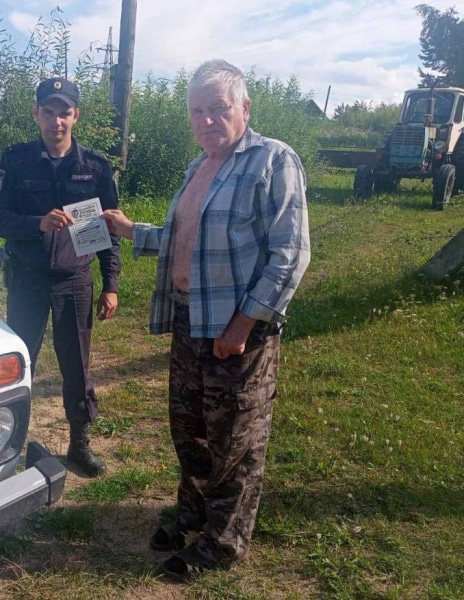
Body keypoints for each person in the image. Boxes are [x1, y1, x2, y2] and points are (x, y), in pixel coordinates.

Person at [102, 59, 310, 579]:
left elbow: (291, 254)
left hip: (237, 330)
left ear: (244, 108)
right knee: (190, 428)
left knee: (235, 438)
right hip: (188, 320)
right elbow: (187, 242)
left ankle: (223, 541)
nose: (207, 120)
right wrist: (131, 231)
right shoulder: (198, 168)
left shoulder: (272, 161)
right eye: (198, 111)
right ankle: (193, 512)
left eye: (218, 108)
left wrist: (243, 324)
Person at [0, 77, 121, 478]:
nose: (56, 121)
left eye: (64, 113)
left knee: (76, 364)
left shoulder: (95, 167)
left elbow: (109, 229)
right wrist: (37, 224)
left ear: (76, 116)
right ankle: (1, 446)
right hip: (27, 279)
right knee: (21, 363)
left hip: (74, 280)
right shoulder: (15, 160)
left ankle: (79, 444)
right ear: (36, 114)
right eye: (48, 112)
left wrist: (111, 284)